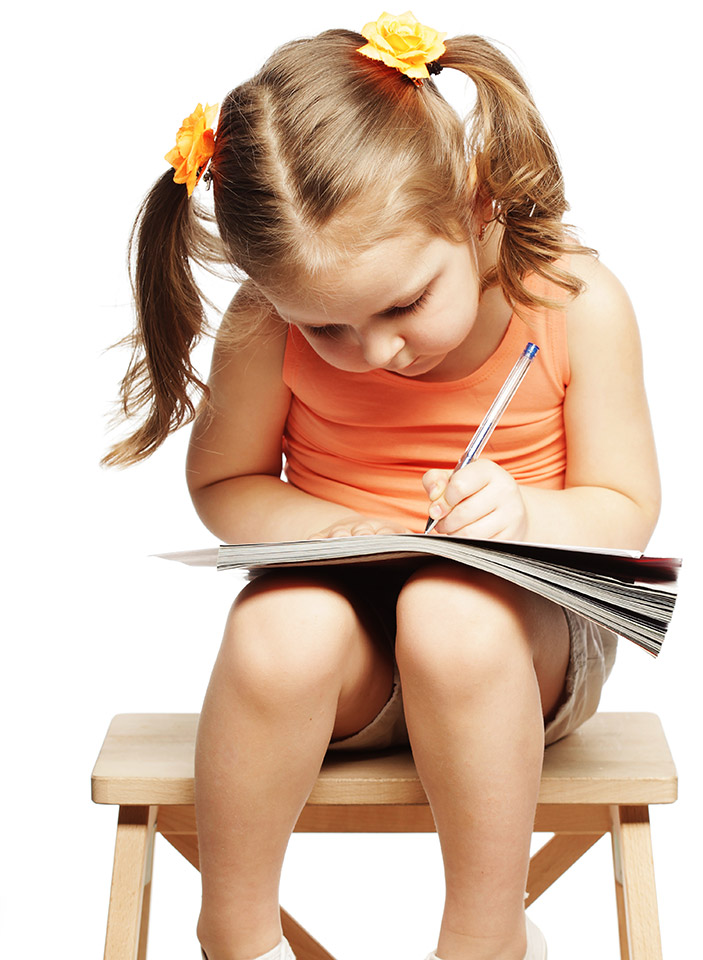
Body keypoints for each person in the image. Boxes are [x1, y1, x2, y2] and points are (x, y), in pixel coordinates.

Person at [104, 13, 660, 960]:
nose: (374, 352)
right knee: (278, 623)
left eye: (403, 304)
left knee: (452, 609)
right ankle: (236, 931)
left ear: (478, 207)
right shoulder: (265, 322)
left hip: (519, 656)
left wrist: (525, 512)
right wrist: (334, 528)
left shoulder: (572, 300)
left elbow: (624, 507)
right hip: (347, 665)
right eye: (328, 331)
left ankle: (486, 935)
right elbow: (227, 481)